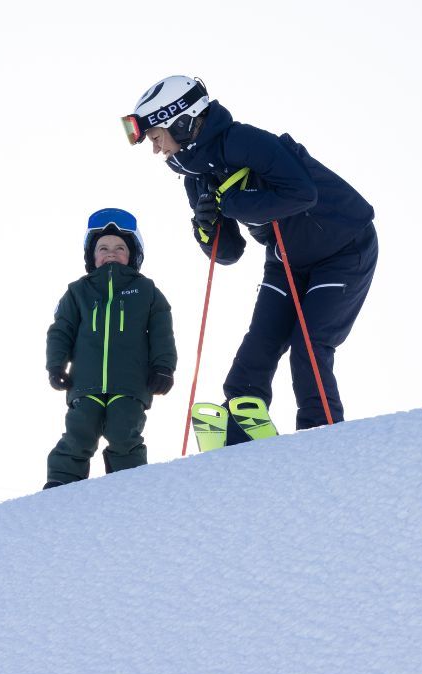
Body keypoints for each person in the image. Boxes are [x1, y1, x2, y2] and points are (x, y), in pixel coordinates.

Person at [122, 76, 377, 441]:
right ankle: (242, 421)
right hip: (286, 255)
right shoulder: (195, 178)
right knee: (261, 340)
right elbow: (228, 254)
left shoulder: (247, 142)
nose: (156, 148)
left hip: (343, 247)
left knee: (309, 345)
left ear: (181, 119)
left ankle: (322, 434)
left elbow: (303, 194)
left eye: (156, 136)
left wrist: (236, 204)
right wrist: (206, 226)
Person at [42, 208, 178, 488]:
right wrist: (56, 365)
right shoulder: (78, 291)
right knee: (80, 432)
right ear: (91, 255)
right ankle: (60, 484)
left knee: (123, 432)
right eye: (103, 248)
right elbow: (61, 330)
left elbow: (163, 333)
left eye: (119, 247)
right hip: (85, 383)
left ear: (133, 254)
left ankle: (127, 485)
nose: (111, 253)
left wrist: (163, 367)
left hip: (129, 383)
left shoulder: (146, 291)